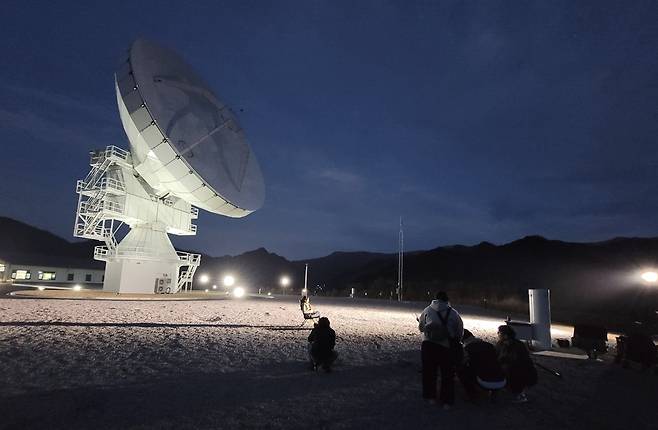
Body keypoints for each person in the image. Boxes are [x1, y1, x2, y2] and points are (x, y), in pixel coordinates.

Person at [418, 291, 464, 409]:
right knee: (447, 374)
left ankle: (430, 397)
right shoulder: (453, 313)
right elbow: (459, 331)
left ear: (435, 299)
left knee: (429, 372)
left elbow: (421, 328)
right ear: (447, 300)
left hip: (428, 345)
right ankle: (446, 401)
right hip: (446, 346)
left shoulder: (427, 310)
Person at [457, 329, 506, 401]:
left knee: (461, 370)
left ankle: (472, 394)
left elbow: (463, 362)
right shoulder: (490, 345)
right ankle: (494, 392)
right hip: (501, 380)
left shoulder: (468, 348)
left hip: (484, 381)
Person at [496, 325, 538, 403]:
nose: (498, 334)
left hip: (519, 370)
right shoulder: (500, 344)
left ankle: (518, 393)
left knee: (512, 371)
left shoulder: (517, 346)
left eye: (499, 333)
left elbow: (518, 361)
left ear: (505, 335)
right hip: (509, 367)